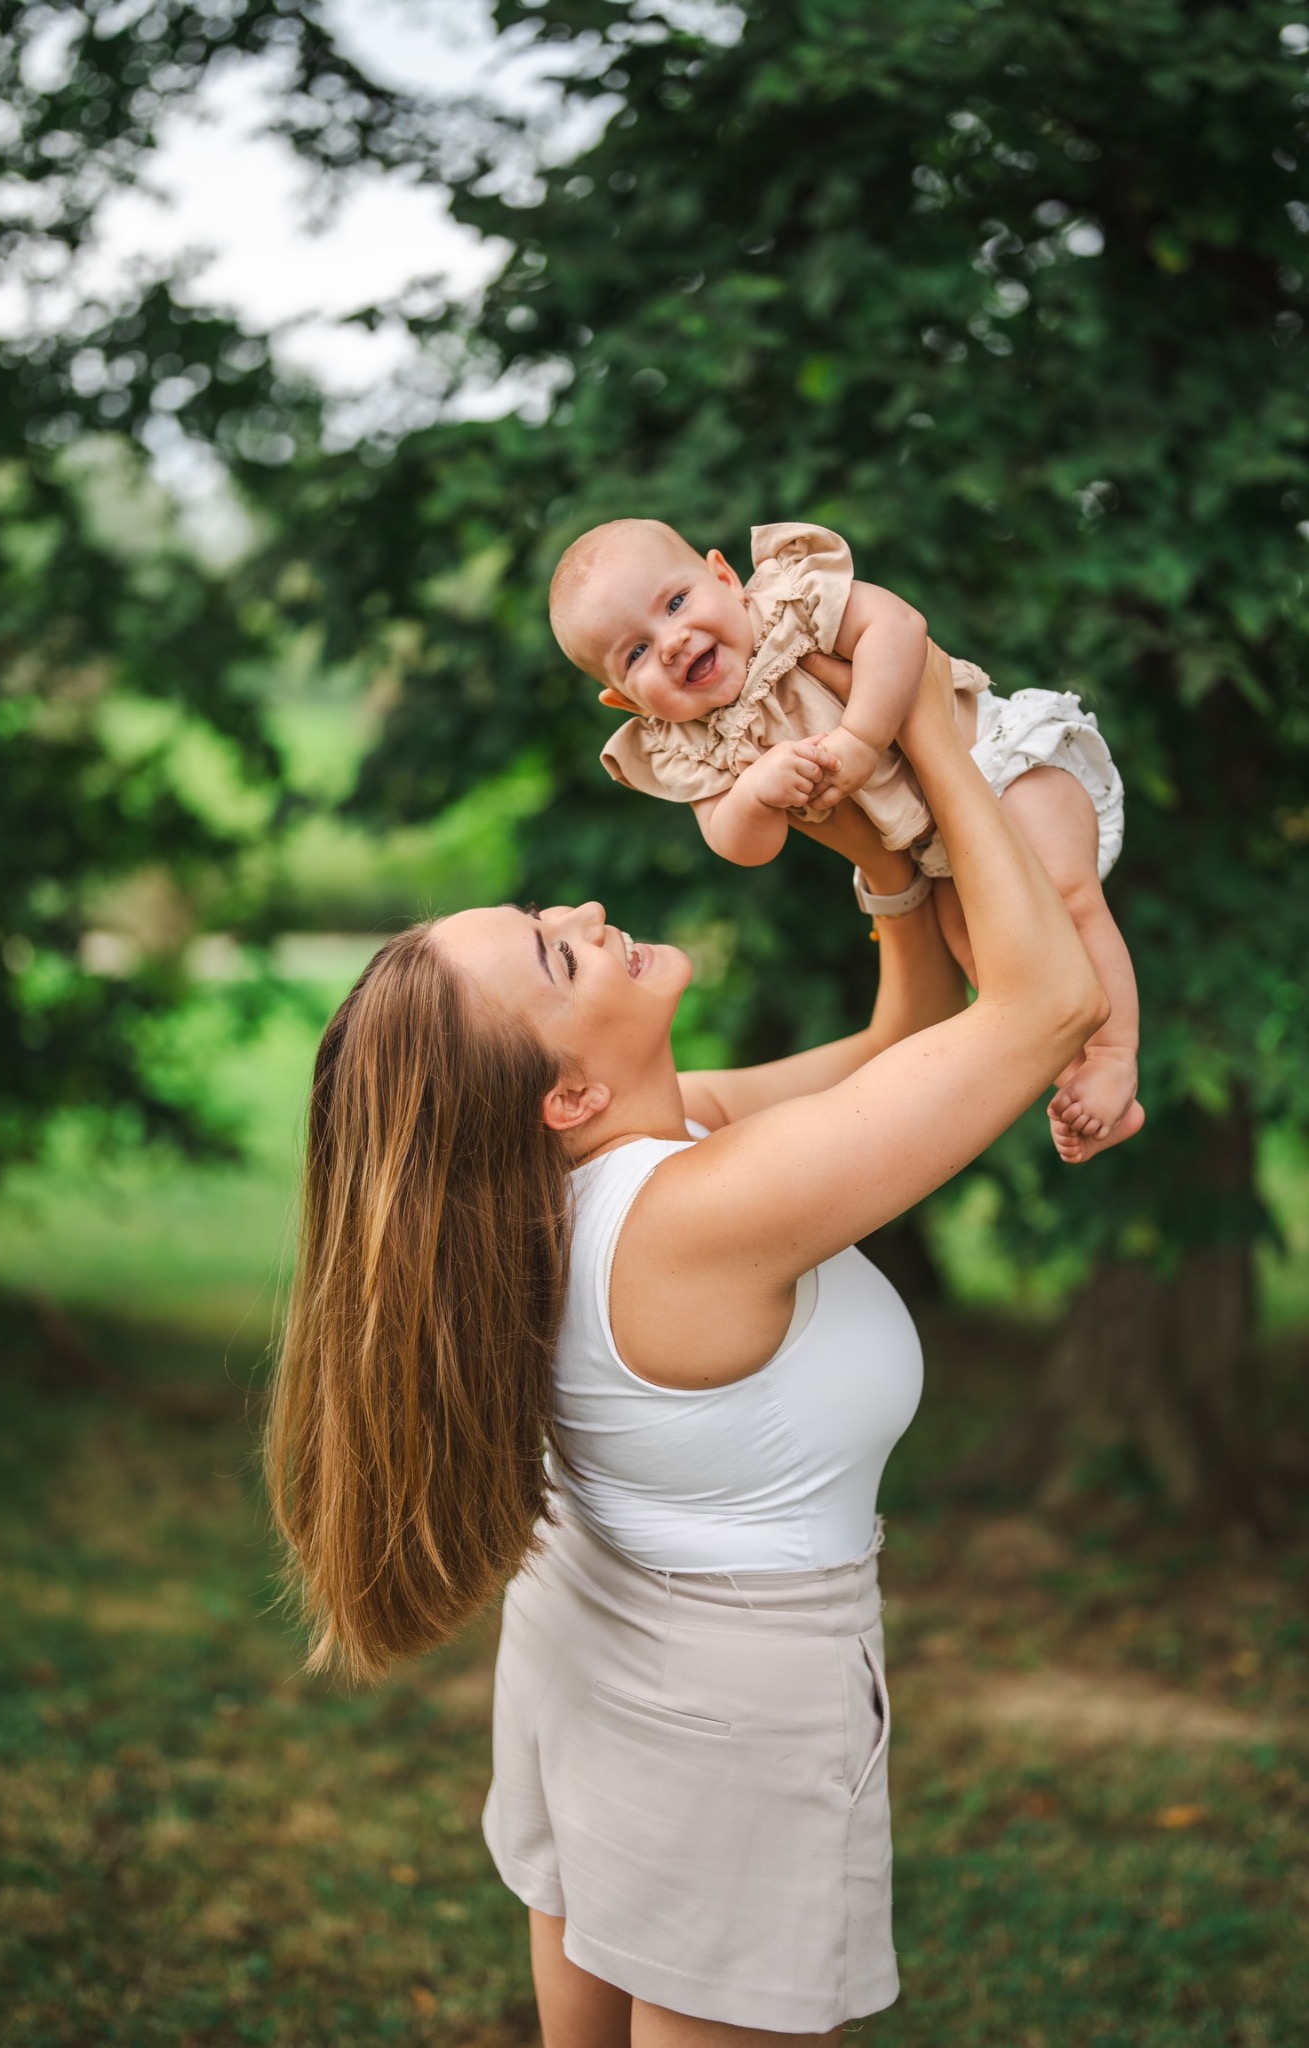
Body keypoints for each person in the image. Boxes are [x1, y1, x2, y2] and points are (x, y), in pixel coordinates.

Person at [266, 651, 1107, 2046]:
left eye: (547, 912)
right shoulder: (693, 1217)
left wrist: (886, 876)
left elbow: (909, 1038)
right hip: (730, 1714)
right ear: (566, 1092)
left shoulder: (620, 1161)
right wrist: (936, 750)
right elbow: (1040, 1011)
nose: (589, 910)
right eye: (554, 951)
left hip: (601, 1647)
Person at [550, 516, 1140, 1164]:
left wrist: (861, 737)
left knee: (1063, 895)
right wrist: (753, 793)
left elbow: (899, 628)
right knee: (980, 955)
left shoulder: (790, 603)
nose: (669, 641)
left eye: (675, 602)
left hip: (1003, 761)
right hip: (941, 848)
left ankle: (1113, 1056)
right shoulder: (693, 747)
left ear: (723, 576)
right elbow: (739, 843)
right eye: (634, 653)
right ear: (624, 701)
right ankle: (1079, 1081)